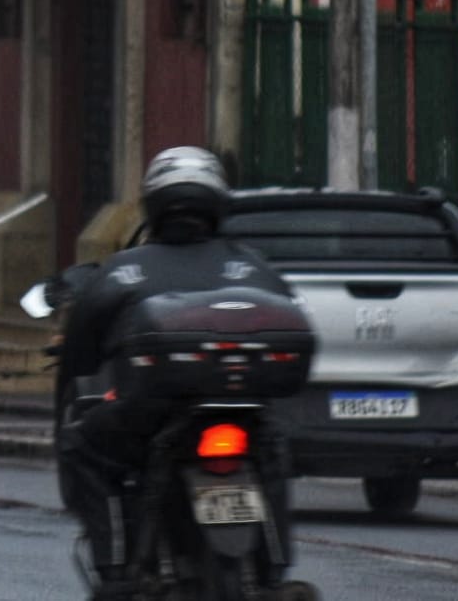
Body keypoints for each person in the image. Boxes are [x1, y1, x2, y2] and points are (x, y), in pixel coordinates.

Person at [56, 146, 300, 596]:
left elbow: (81, 351)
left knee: (82, 446)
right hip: (243, 411)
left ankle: (114, 572)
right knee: (273, 452)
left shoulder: (124, 269)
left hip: (151, 416)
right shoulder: (254, 267)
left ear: (153, 205)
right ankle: (274, 572)